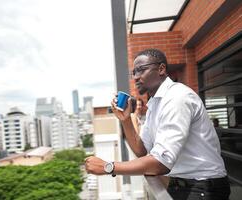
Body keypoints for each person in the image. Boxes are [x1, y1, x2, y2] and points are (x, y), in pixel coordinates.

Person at [85, 48, 230, 200]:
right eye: (133, 72)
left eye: (141, 70)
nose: (135, 77)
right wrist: (126, 120)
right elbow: (141, 150)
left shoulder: (177, 97)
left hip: (203, 188)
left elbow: (161, 163)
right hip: (182, 185)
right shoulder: (155, 103)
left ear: (161, 69)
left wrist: (108, 167)